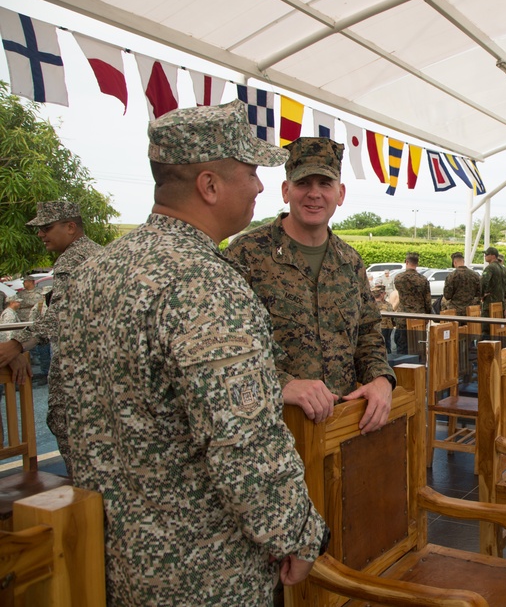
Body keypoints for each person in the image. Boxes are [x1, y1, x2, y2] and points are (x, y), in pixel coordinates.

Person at [58, 101, 329, 605]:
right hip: (206, 572)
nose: (259, 186)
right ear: (209, 185)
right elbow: (243, 441)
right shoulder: (204, 283)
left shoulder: (95, 271)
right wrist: (296, 533)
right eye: (250, 171)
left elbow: (64, 414)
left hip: (112, 558)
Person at [227, 137, 395, 429]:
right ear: (286, 190)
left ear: (340, 194)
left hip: (340, 428)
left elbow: (367, 333)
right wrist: (282, 384)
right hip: (269, 431)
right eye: (304, 183)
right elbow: (225, 347)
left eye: (325, 184)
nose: (314, 194)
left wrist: (381, 378)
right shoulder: (247, 254)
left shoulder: (349, 261)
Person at [0, 201, 103, 474]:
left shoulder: (72, 260)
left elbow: (62, 315)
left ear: (70, 227)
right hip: (102, 364)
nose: (40, 234)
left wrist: (17, 343)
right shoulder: (100, 253)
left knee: (65, 424)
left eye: (46, 227)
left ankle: (84, 504)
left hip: (78, 366)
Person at [393, 252, 433, 353]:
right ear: (417, 263)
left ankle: (402, 367)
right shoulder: (423, 280)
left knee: (402, 347)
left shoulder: (398, 278)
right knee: (418, 347)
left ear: (406, 262)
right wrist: (427, 315)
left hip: (403, 317)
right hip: (418, 318)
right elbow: (427, 301)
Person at [480, 246, 506, 317]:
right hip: (501, 303)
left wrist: (482, 295)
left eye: (487, 254)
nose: (485, 256)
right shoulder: (504, 269)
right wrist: (503, 295)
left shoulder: (490, 268)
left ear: (493, 256)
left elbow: (483, 282)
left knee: (486, 326)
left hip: (490, 303)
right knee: (499, 326)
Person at [373, 283, 395, 352]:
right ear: (382, 294)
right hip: (385, 329)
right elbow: (393, 318)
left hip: (375, 330)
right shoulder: (387, 305)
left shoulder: (371, 305)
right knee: (387, 348)